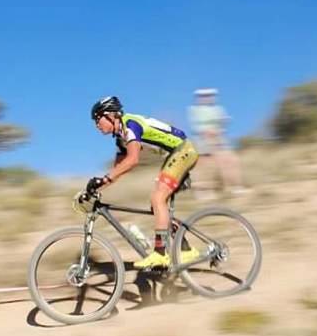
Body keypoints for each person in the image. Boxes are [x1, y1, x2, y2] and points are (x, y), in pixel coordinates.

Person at [87, 96, 200, 269]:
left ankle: (160, 254)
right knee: (158, 205)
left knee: (157, 198)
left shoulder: (130, 125)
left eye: (98, 118)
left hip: (183, 151)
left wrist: (105, 180)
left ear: (110, 115)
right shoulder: (120, 138)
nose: (96, 124)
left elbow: (132, 160)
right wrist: (96, 187)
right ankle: (186, 250)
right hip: (174, 155)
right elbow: (118, 170)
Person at [188, 88, 247, 196]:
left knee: (231, 161)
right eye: (205, 96)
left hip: (219, 141)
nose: (208, 98)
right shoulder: (194, 110)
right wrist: (209, 132)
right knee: (205, 167)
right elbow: (197, 127)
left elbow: (222, 123)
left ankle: (235, 187)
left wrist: (221, 126)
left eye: (210, 96)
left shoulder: (218, 109)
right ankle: (203, 192)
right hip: (204, 142)